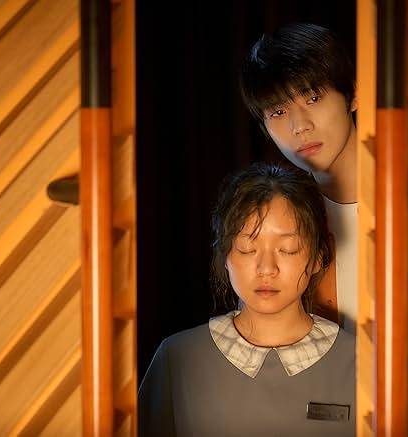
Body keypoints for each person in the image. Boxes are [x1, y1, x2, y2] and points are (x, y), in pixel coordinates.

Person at [139, 162, 356, 436]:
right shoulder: (178, 357)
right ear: (225, 257)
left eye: (288, 249)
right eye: (247, 248)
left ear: (317, 259)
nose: (267, 268)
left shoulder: (361, 362)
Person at [239, 22, 358, 334]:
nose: (299, 126)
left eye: (313, 98)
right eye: (278, 112)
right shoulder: (275, 217)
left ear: (353, 95)